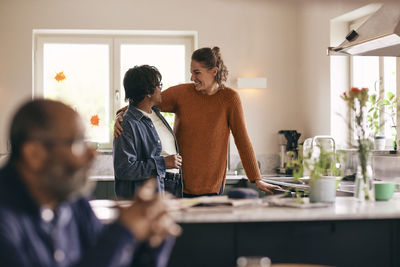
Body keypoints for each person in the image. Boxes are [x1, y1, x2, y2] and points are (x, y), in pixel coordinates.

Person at [0, 99, 181, 267]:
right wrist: (122, 234)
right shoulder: (6, 221)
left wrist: (150, 244)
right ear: (34, 154)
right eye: (78, 143)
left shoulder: (75, 204)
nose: (92, 154)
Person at [115, 47, 281, 197]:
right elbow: (143, 101)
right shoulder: (181, 93)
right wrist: (120, 116)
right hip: (180, 185)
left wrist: (257, 178)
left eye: (197, 72)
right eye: (191, 72)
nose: (192, 77)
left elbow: (242, 140)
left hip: (212, 186)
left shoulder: (230, 99)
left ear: (214, 71)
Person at [113, 65, 183, 199]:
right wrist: (163, 163)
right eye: (159, 85)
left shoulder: (156, 113)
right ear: (148, 92)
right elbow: (124, 169)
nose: (161, 89)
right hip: (151, 193)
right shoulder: (127, 123)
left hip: (172, 186)